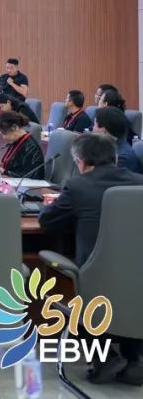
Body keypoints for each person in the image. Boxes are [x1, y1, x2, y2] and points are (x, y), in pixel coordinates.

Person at [39, 133, 143, 385]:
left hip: (96, 281)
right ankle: (134, 360)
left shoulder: (77, 186)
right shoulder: (140, 182)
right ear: (115, 158)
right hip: (138, 279)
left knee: (78, 284)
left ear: (81, 162)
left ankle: (104, 358)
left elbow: (47, 221)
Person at [0, 111, 44, 178]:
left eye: (4, 133)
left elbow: (27, 176)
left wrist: (5, 171)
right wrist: (3, 165)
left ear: (15, 127)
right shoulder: (16, 142)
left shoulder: (30, 147)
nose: (3, 137)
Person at [93, 107, 139, 173]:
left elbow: (101, 177)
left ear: (103, 130)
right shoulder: (110, 147)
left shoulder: (121, 158)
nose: (93, 129)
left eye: (94, 125)